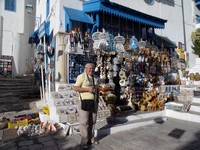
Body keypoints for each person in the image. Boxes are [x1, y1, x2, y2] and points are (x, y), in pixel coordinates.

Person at [73, 63, 99, 150]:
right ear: (86, 68)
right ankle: (84, 142)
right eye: (89, 68)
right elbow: (76, 88)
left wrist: (97, 100)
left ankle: (90, 139)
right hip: (84, 102)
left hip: (94, 102)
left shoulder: (95, 78)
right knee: (84, 122)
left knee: (93, 121)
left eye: (92, 68)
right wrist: (87, 89)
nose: (91, 70)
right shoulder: (81, 77)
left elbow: (97, 89)